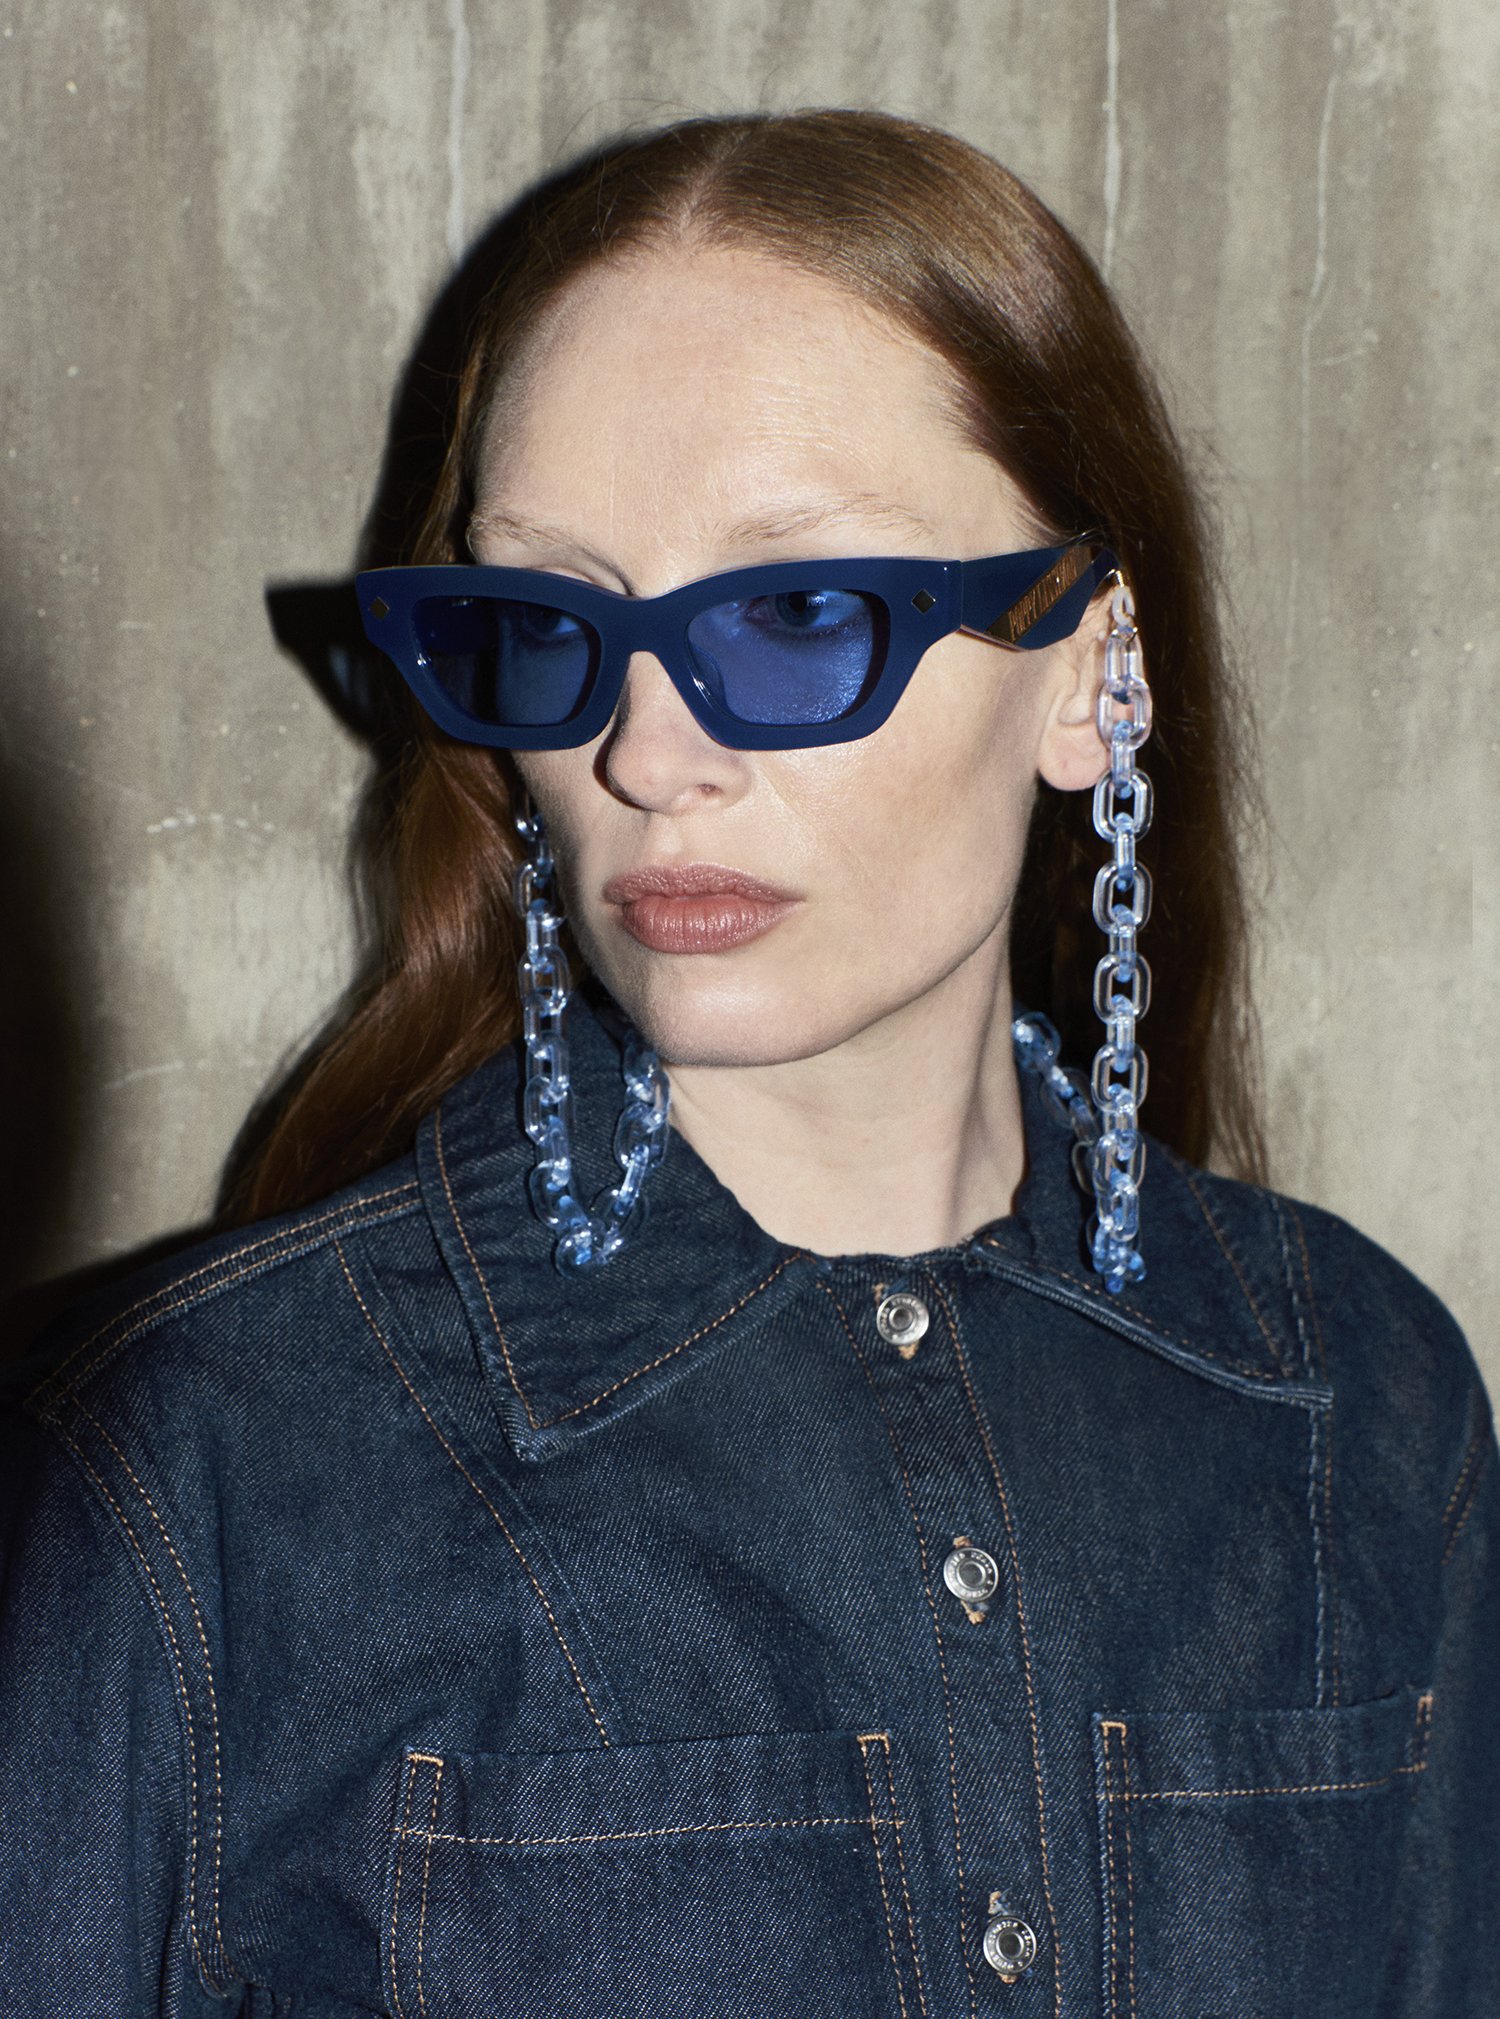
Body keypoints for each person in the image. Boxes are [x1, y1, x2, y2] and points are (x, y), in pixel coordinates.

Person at [1, 108, 1494, 2019]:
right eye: (550, 623)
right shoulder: (198, 1468)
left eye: (797, 614)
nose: (644, 756)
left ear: (1087, 673)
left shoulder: (1358, 1407)